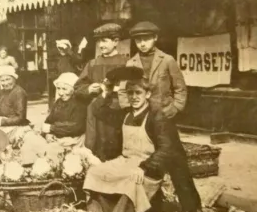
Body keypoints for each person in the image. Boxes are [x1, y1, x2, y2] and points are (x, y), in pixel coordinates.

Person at [84, 66, 209, 212]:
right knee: (94, 173)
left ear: (148, 93)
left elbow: (167, 149)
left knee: (131, 182)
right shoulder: (125, 114)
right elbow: (99, 111)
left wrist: (145, 167)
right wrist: (107, 91)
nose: (134, 97)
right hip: (126, 160)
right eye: (130, 93)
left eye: (138, 93)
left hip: (148, 166)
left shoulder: (157, 117)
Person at [75, 23, 128, 161]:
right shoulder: (92, 63)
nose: (100, 45)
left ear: (116, 41)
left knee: (114, 145)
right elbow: (78, 87)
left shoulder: (126, 62)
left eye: (104, 41)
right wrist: (88, 88)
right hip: (95, 111)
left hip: (116, 110)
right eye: (99, 41)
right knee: (95, 146)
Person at [126, 21, 187, 119]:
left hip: (164, 112)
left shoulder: (167, 60)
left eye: (146, 39)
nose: (142, 44)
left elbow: (180, 87)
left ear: (155, 37)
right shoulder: (130, 63)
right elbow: (123, 89)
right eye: (138, 40)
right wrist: (128, 108)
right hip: (139, 113)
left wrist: (176, 107)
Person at [41, 72, 87, 143]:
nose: (61, 93)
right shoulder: (58, 102)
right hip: (58, 138)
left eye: (64, 89)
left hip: (74, 140)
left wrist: (51, 128)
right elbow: (48, 121)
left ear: (73, 89)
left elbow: (75, 127)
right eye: (58, 88)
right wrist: (48, 134)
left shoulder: (79, 103)